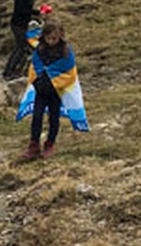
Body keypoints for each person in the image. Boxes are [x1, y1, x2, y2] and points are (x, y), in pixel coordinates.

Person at [16, 14, 90, 158]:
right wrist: (37, 82)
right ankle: (34, 144)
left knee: (54, 118)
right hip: (41, 90)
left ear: (60, 37)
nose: (51, 41)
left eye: (54, 39)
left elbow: (69, 73)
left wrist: (55, 81)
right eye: (48, 38)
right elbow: (35, 67)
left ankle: (50, 144)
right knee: (36, 116)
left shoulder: (66, 52)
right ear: (44, 37)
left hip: (56, 91)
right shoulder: (40, 49)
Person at [2, 0, 46, 79]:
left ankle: (13, 70)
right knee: (20, 48)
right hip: (18, 24)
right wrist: (36, 13)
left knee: (21, 47)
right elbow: (21, 10)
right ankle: (8, 72)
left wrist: (36, 12)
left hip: (22, 23)